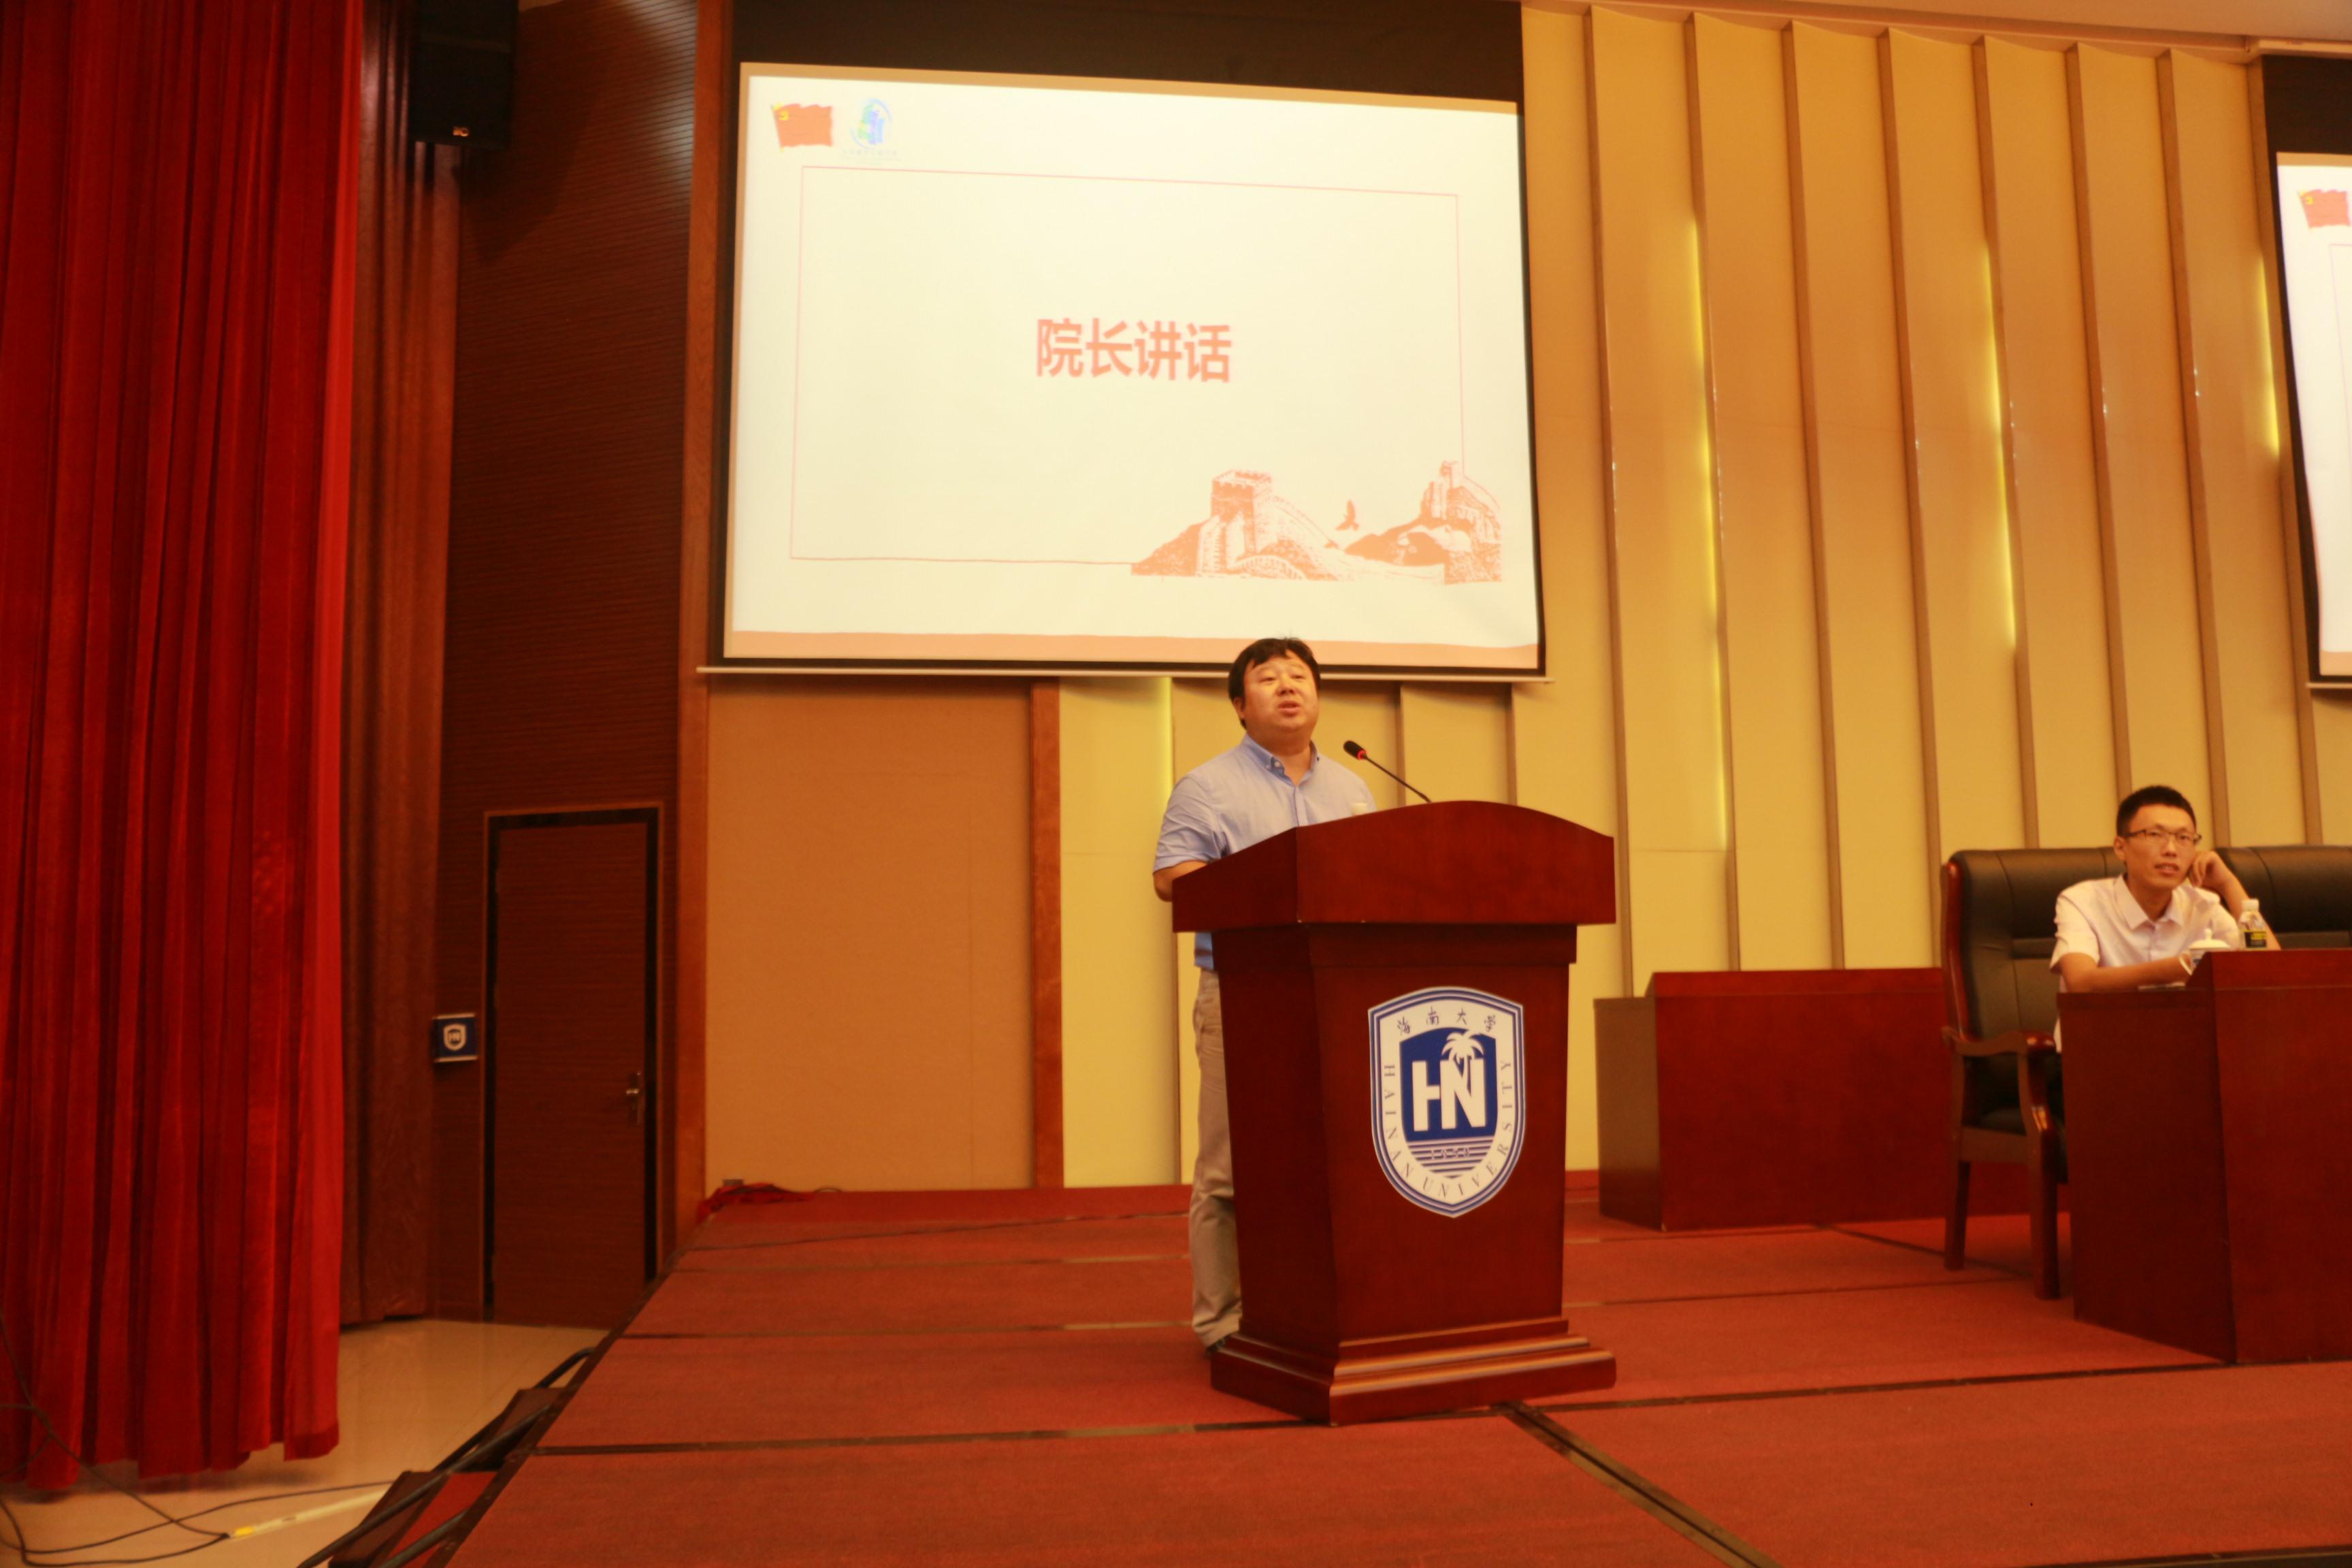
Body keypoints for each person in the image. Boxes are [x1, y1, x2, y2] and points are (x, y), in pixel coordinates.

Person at [1152, 637, 1375, 1354]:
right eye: (1269, 677)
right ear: (1238, 705)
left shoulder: (1354, 789)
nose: (1287, 687)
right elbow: (1172, 877)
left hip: (1338, 1000)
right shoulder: (1207, 786)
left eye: (1300, 676)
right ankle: (1222, 1323)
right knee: (1229, 1170)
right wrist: (1273, 883)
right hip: (1242, 994)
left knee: (1332, 1163)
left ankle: (1313, 1311)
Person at [2052, 784, 2269, 996]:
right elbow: (2080, 983)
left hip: (2186, 1023)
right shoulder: (2083, 901)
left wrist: (2228, 884)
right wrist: (2182, 967)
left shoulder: (2203, 905)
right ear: (2121, 848)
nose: (2171, 850)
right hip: (2104, 1022)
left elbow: (2271, 972)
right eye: (2155, 835)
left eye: (2184, 838)